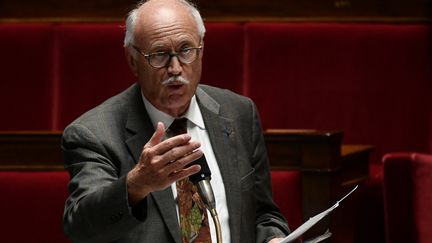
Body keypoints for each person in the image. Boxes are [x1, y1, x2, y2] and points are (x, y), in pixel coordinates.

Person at [62, 0, 290, 242]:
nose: (175, 68)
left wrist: (273, 238)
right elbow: (81, 227)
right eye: (159, 54)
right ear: (132, 60)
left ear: (201, 51)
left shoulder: (239, 113)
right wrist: (136, 185)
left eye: (185, 50)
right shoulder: (93, 133)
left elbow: (264, 214)